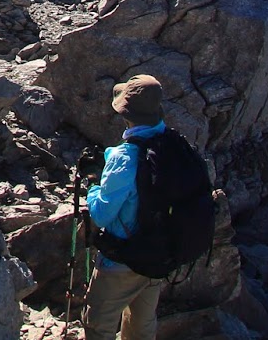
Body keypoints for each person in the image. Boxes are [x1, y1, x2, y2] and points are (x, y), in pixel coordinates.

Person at [83, 74, 169, 340]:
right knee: (142, 325)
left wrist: (94, 186)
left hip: (122, 259)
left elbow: (101, 214)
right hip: (159, 254)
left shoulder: (125, 157)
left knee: (98, 325)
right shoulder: (171, 143)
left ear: (125, 115)